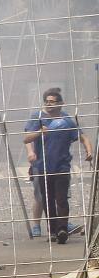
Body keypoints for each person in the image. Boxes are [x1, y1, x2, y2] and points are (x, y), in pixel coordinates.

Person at [24, 87, 93, 243]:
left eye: (52, 102)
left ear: (60, 104)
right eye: (47, 102)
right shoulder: (38, 117)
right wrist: (38, 136)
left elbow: (83, 137)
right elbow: (26, 138)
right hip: (42, 167)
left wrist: (89, 152)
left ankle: (62, 229)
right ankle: (52, 230)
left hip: (62, 167)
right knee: (46, 200)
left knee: (61, 199)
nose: (49, 104)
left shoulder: (67, 121)